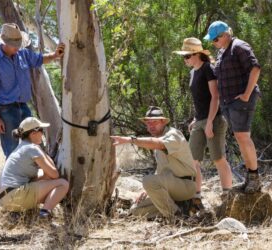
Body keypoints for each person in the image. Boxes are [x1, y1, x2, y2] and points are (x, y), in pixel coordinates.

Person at [0, 23, 65, 157]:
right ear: (4, 42)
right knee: (13, 151)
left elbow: (40, 59)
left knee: (34, 147)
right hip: (6, 111)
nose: (17, 47)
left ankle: (34, 176)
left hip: (24, 107)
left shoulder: (24, 54)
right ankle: (15, 177)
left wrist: (55, 55)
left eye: (18, 44)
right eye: (13, 44)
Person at [204, 21, 262, 193]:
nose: (213, 42)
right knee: (240, 138)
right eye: (212, 40)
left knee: (243, 137)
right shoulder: (223, 51)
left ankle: (254, 178)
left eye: (215, 39)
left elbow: (255, 68)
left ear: (225, 35)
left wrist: (246, 94)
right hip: (229, 103)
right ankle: (250, 178)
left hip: (240, 101)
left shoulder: (239, 46)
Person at [110, 106, 197, 221]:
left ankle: (176, 217)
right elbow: (161, 170)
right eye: (148, 123)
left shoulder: (173, 134)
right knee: (136, 211)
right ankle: (180, 207)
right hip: (170, 188)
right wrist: (147, 190)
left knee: (148, 180)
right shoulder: (158, 140)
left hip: (185, 186)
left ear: (163, 122)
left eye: (154, 122)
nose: (151, 126)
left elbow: (159, 144)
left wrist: (131, 140)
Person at [173, 37, 233, 201]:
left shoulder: (208, 69)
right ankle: (196, 197)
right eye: (184, 56)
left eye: (187, 56)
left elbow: (215, 97)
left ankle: (228, 195)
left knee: (218, 158)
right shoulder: (193, 72)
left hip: (214, 119)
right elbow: (199, 100)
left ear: (197, 54)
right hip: (200, 121)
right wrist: (196, 119)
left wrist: (209, 123)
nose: (185, 59)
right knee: (193, 160)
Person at [0, 117, 69, 219]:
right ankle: (44, 215)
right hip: (15, 196)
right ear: (33, 133)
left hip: (5, 198)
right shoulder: (32, 148)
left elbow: (44, 176)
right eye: (41, 130)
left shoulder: (22, 146)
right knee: (63, 184)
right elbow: (55, 174)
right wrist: (43, 152)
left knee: (43, 176)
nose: (43, 134)